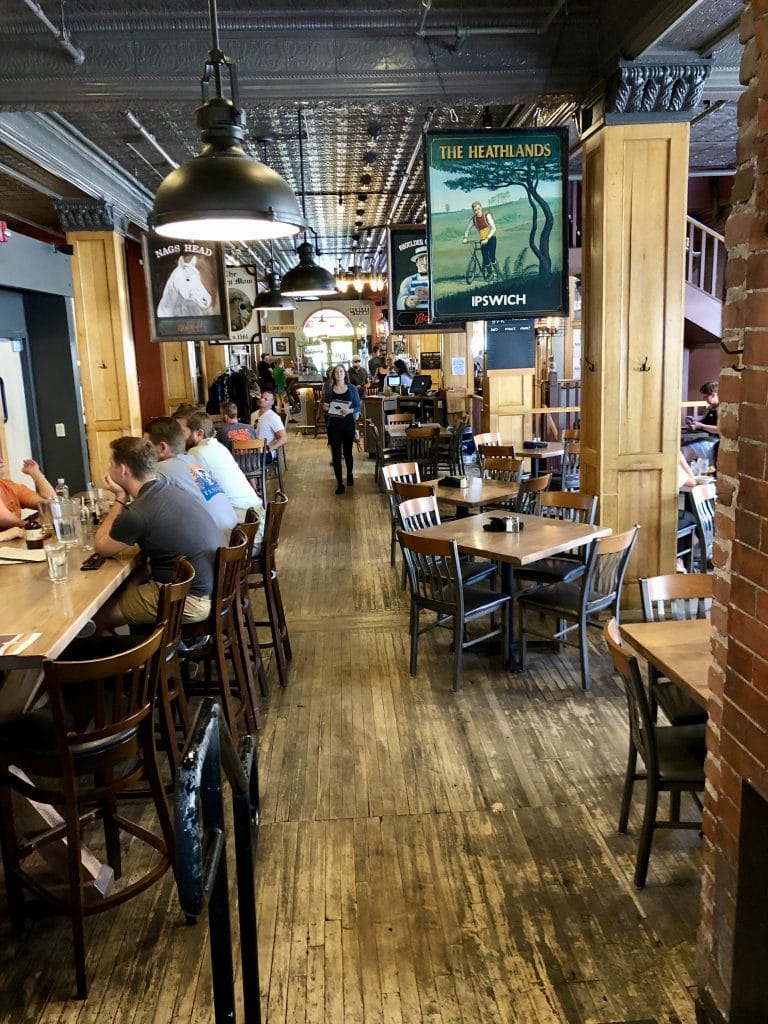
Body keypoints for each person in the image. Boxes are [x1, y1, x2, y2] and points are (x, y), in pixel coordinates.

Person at [92, 436, 221, 629]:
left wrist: (120, 497)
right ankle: (153, 646)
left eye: (111, 464)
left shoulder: (137, 512)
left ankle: (134, 655)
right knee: (130, 584)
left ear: (123, 470)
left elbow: (102, 547)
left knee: (96, 617)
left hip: (190, 599)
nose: (108, 470)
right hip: (213, 586)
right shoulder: (170, 490)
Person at [144, 416, 239, 544]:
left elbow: (142, 514)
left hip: (214, 549)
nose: (144, 452)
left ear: (162, 448)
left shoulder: (161, 469)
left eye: (147, 447)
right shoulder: (192, 461)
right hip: (232, 542)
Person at [176, 410, 263, 522]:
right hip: (253, 518)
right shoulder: (217, 446)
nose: (178, 438)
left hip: (240, 526)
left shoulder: (197, 453)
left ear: (199, 433)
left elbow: (196, 495)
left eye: (182, 432)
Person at [323, 364, 361, 495]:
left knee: (348, 453)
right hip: (333, 425)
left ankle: (349, 473)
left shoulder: (352, 389)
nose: (339, 373)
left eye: (341, 371)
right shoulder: (329, 389)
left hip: (348, 424)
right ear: (333, 375)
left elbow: (358, 407)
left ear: (345, 374)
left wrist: (349, 410)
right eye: (336, 372)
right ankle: (339, 483)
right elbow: (325, 406)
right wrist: (325, 407)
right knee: (336, 456)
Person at [0, 455, 55, 528]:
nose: (1, 460)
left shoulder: (9, 486)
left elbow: (51, 502)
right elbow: (5, 518)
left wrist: (35, 473)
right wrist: (35, 526)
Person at [462, 200, 500, 278]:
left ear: (481, 208)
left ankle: (498, 273)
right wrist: (465, 237)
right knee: (485, 258)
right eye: (475, 210)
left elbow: (494, 228)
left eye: (479, 209)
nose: (477, 211)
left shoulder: (487, 215)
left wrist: (487, 238)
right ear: (473, 211)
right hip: (482, 240)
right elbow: (468, 228)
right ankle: (490, 274)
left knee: (492, 257)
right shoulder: (474, 219)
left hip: (491, 238)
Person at [249, 390, 288, 464]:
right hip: (253, 449)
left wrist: (268, 448)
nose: (262, 399)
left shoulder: (273, 417)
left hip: (266, 453)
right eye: (262, 397)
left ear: (272, 402)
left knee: (246, 462)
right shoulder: (253, 415)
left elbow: (284, 438)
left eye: (265, 399)